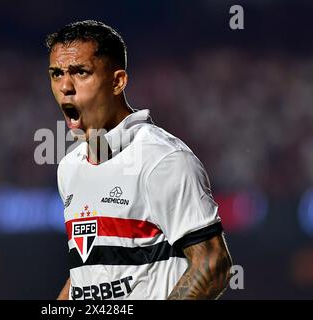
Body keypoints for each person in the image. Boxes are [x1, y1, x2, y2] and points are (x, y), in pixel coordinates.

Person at [46, 20, 232, 300]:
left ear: (117, 81)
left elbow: (212, 264)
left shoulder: (163, 159)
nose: (65, 86)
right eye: (57, 74)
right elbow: (87, 274)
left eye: (80, 72)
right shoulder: (70, 168)